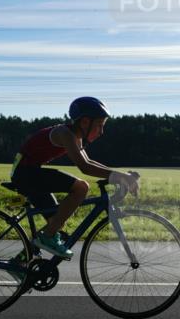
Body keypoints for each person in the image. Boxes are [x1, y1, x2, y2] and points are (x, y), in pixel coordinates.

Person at [9, 97, 139, 260]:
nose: (101, 131)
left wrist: (119, 176)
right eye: (99, 125)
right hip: (26, 173)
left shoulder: (74, 136)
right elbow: (84, 167)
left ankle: (20, 261)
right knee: (81, 187)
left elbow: (89, 161)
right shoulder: (65, 134)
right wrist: (121, 177)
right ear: (85, 122)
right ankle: (47, 238)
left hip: (28, 173)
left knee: (57, 222)